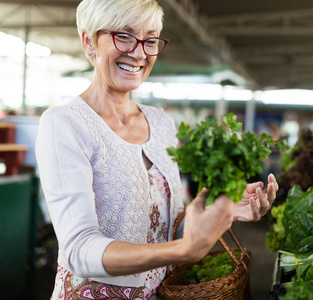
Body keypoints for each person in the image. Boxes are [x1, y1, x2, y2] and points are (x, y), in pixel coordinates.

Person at [35, 1, 279, 299]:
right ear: (88, 41)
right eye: (123, 36)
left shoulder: (161, 123)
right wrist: (182, 249)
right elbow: (78, 248)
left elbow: (169, 228)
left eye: (150, 40)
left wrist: (225, 207)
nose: (138, 53)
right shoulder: (65, 124)